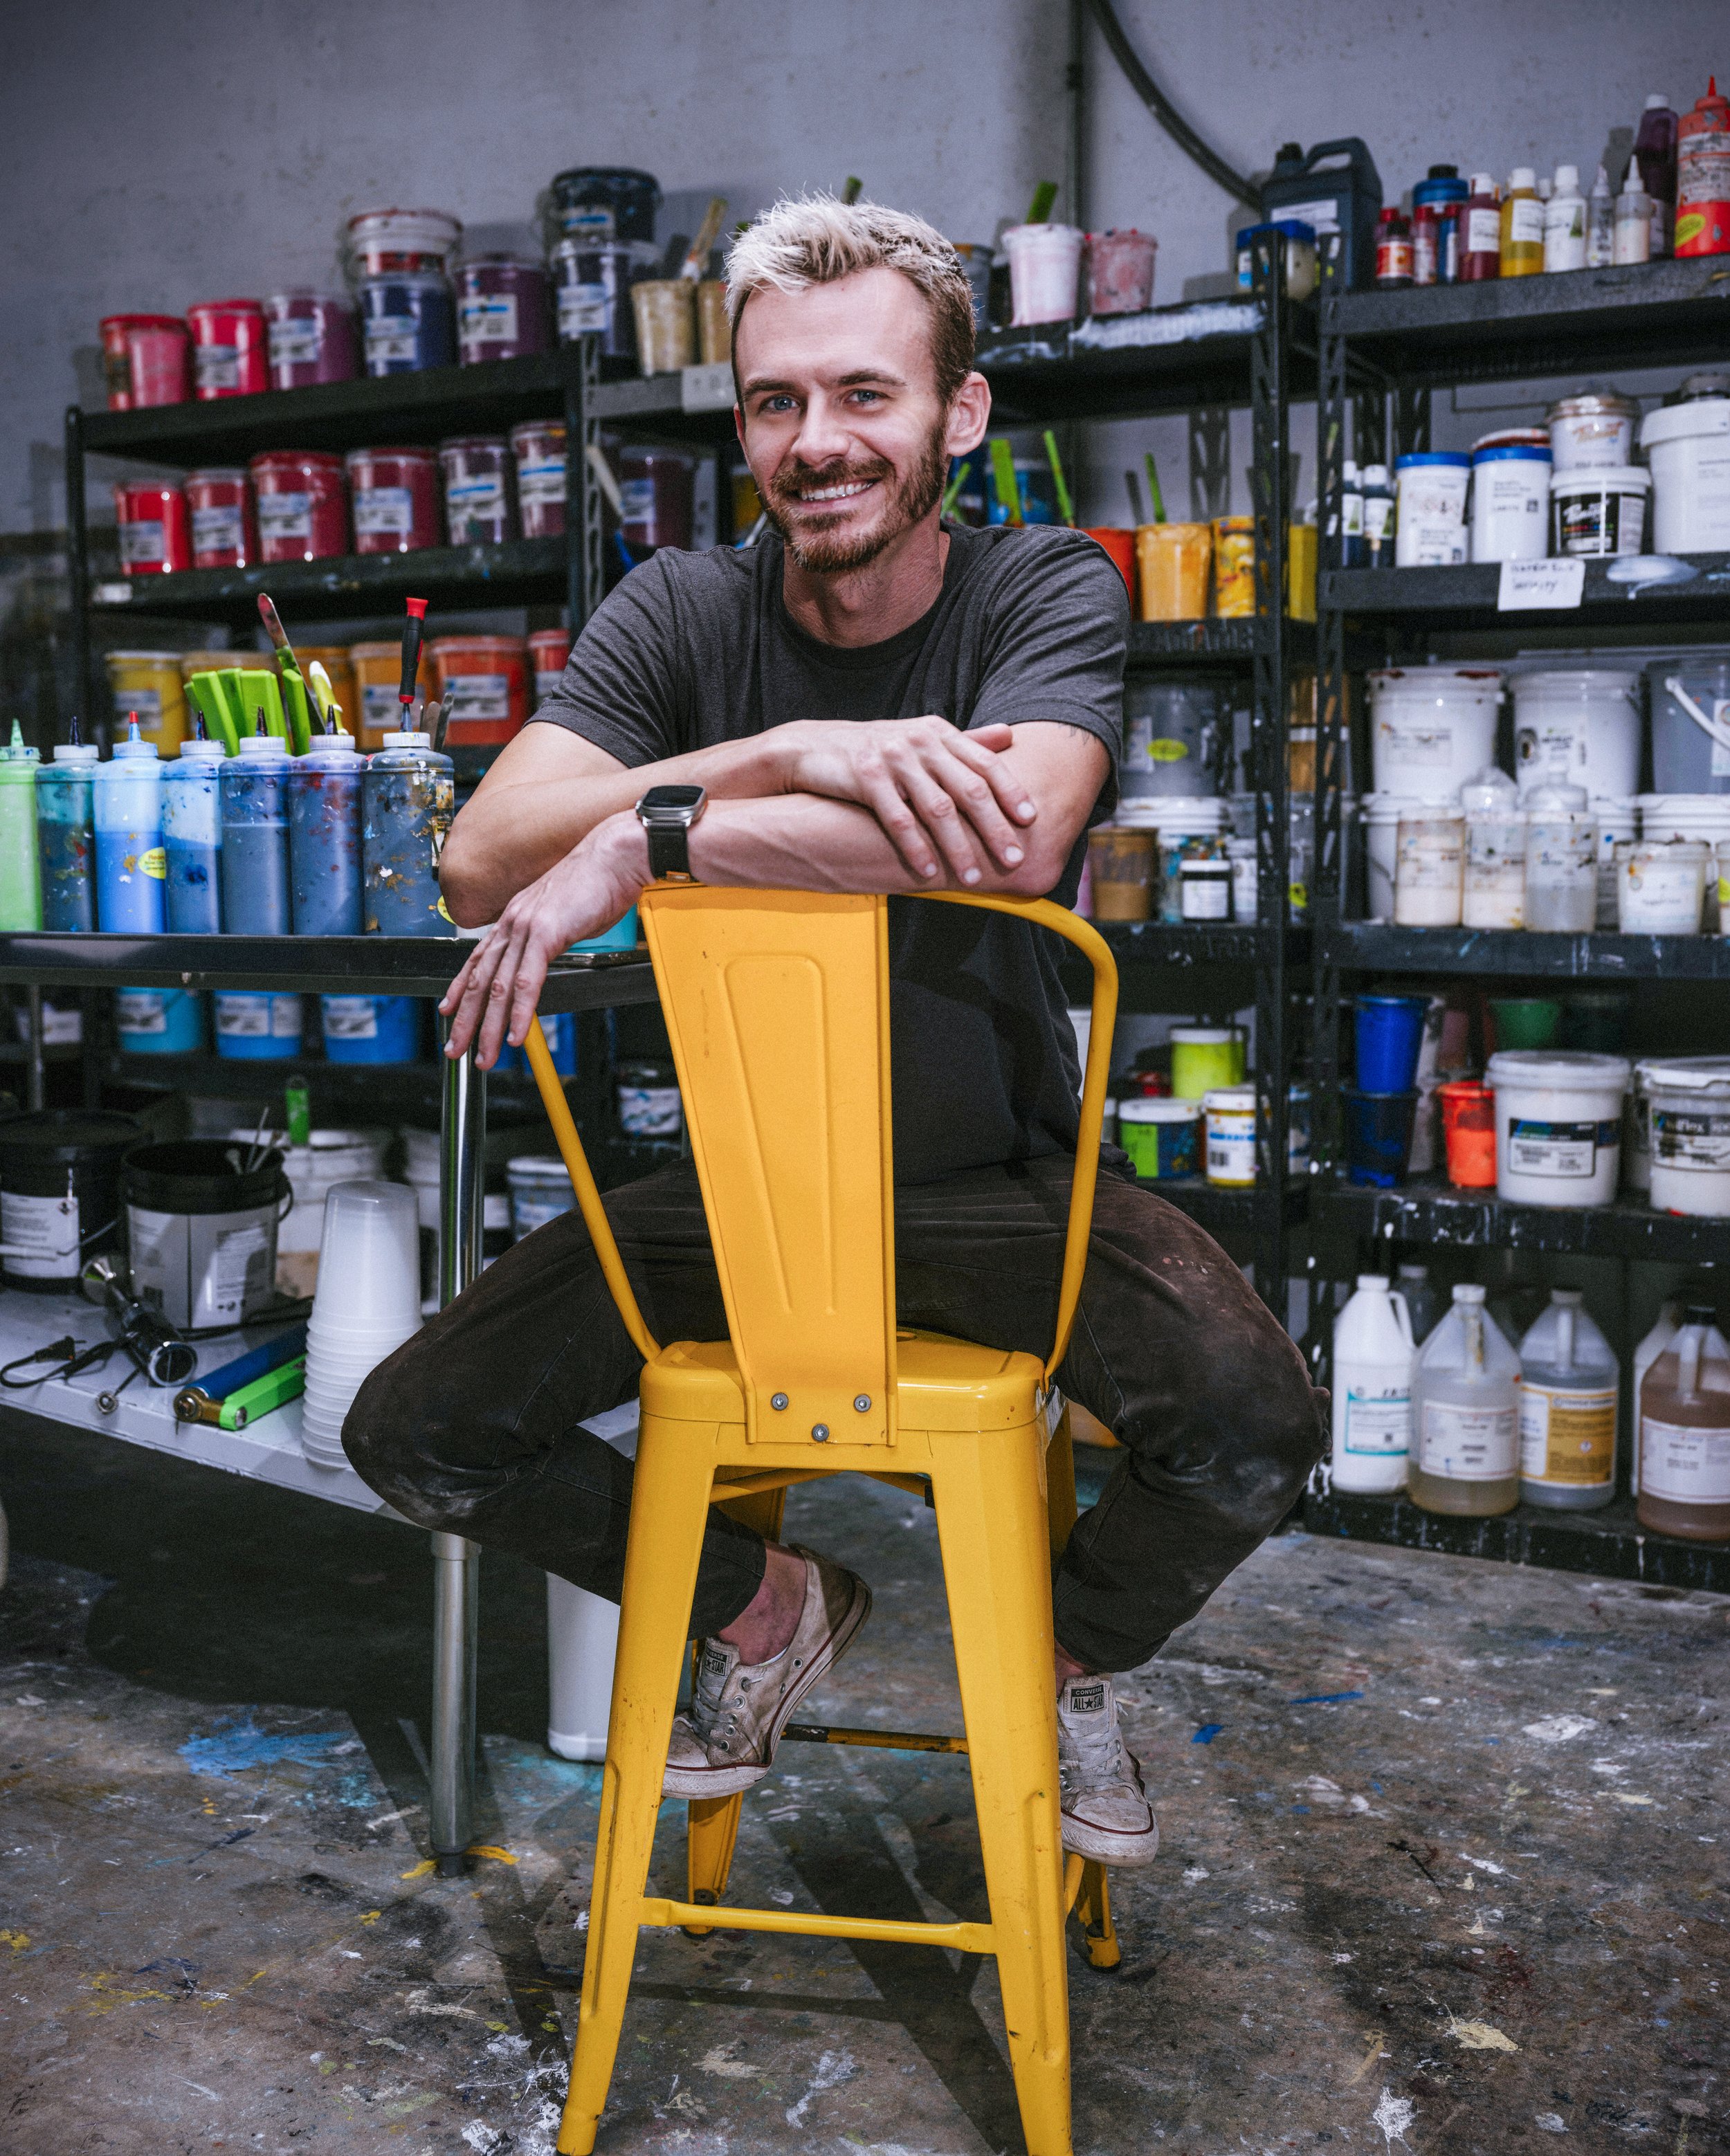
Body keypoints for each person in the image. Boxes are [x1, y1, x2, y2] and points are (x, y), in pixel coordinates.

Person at [345, 196, 1325, 1868]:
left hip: (995, 1186)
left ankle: (1060, 1657)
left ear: (958, 412)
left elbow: (1012, 836)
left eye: (864, 395)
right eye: (776, 403)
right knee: (415, 1430)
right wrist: (789, 747)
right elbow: (478, 859)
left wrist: (656, 837)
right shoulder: (681, 612)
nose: (817, 443)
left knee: (1253, 1427)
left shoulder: (1040, 589)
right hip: (741, 1194)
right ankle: (768, 1609)